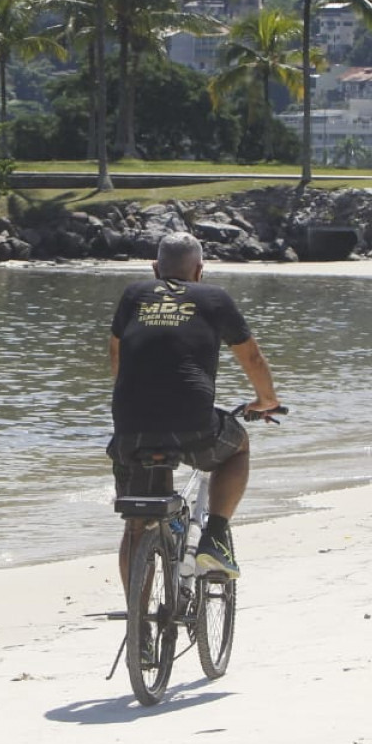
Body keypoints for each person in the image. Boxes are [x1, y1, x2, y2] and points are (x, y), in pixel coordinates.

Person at [108, 232, 281, 582]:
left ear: (155, 268)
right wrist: (267, 401)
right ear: (200, 270)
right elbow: (252, 358)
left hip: (131, 427)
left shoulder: (133, 295)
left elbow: (117, 356)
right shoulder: (214, 298)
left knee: (136, 527)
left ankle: (137, 624)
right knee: (238, 448)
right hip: (193, 426)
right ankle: (215, 536)